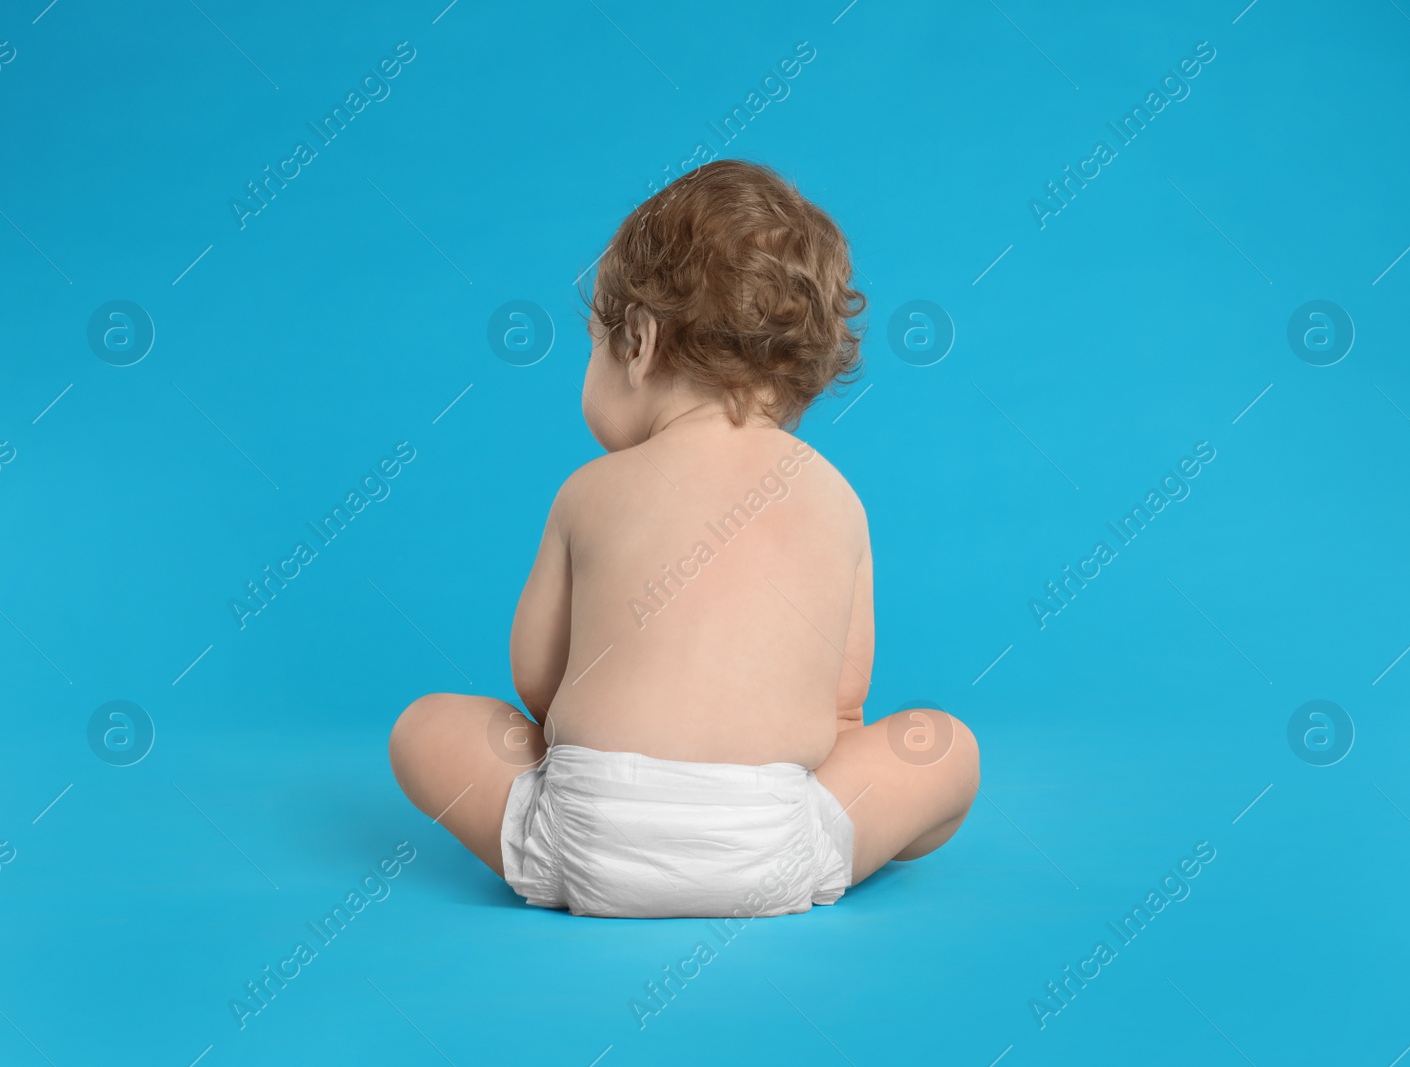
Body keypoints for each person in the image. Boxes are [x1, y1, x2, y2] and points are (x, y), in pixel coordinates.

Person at [389, 159, 978, 918]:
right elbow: (841, 710)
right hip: (771, 848)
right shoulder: (836, 497)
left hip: (584, 839)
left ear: (636, 341)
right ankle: (858, 834)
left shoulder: (590, 490)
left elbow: (538, 682)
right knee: (943, 746)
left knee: (425, 725)